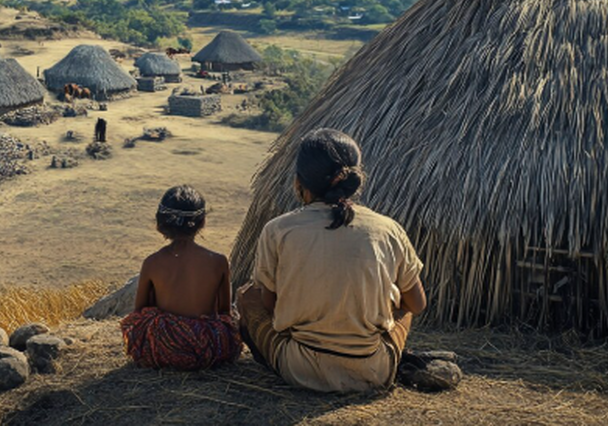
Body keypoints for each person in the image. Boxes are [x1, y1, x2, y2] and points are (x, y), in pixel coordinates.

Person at [237, 128, 426, 393]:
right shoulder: (389, 229)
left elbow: (267, 304)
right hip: (375, 370)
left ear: (298, 182)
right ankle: (395, 359)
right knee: (404, 303)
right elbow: (417, 304)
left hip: (299, 370)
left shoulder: (278, 229)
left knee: (247, 297)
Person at [121, 186, 242, 370]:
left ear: (161, 222)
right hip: (208, 349)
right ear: (202, 222)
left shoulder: (152, 263)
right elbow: (224, 312)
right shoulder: (218, 261)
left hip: (163, 348)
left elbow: (139, 313)